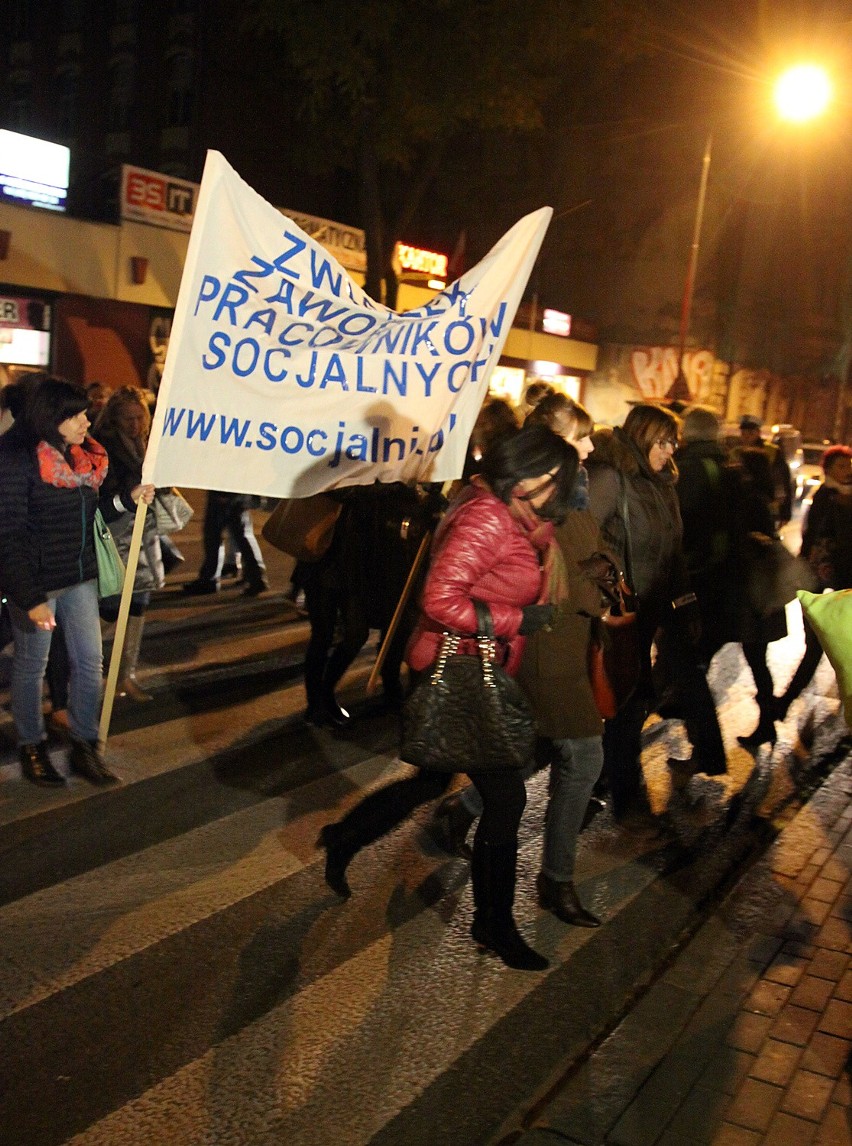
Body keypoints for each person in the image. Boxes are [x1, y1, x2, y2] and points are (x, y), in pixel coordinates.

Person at [317, 424, 579, 970]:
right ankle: (495, 925)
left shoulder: (516, 519)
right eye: (558, 481)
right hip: (455, 667)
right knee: (506, 799)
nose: (561, 493)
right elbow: (439, 599)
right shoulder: (489, 517)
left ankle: (343, 838)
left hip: (472, 665)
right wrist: (516, 619)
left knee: (433, 779)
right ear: (533, 477)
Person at [433, 394, 608, 927]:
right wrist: (571, 598)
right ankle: (544, 889)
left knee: (526, 762)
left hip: (552, 645)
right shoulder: (517, 506)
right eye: (580, 436)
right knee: (579, 759)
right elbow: (446, 597)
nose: (591, 446)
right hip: (539, 649)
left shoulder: (560, 495)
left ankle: (463, 828)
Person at [587, 404, 726, 825]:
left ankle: (602, 781)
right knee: (624, 704)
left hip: (656, 610)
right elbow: (582, 541)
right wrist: (609, 587)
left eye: (673, 443)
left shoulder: (663, 484)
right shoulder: (612, 479)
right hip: (622, 613)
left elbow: (673, 551)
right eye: (663, 442)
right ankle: (626, 800)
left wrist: (685, 604)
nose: (670, 451)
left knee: (630, 703)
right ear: (643, 436)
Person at [0, 373, 129, 787]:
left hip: (80, 578)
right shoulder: (17, 459)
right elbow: (9, 534)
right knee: (31, 666)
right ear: (49, 417)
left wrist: (128, 500)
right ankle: (32, 745)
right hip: (37, 585)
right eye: (75, 416)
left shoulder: (81, 458)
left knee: (91, 662)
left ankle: (84, 744)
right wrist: (30, 597)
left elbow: (90, 517)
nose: (86, 423)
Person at [773, 444, 852, 719]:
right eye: (842, 466)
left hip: (845, 582)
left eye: (849, 465)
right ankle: (782, 704)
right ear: (828, 469)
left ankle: (781, 705)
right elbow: (812, 536)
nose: (847, 470)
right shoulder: (823, 496)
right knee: (814, 645)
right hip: (818, 578)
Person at [94, 387, 158, 701]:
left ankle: (125, 676)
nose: (135, 423)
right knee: (110, 607)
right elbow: (104, 495)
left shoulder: (147, 444)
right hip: (117, 533)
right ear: (115, 419)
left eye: (139, 417)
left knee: (139, 604)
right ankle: (78, 662)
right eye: (128, 418)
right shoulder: (103, 447)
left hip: (143, 534)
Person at [733, 447, 789, 749]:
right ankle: (767, 721)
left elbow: (752, 542)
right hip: (762, 593)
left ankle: (767, 721)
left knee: (756, 659)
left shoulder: (752, 499)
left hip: (758, 594)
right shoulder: (763, 499)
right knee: (757, 660)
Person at [183, 490, 269, 596]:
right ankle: (257, 577)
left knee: (214, 534)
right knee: (241, 535)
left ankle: (210, 579)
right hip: (238, 490)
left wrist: (224, 494)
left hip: (227, 490)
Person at [735, 414, 792, 526]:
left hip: (766, 508)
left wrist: (784, 512)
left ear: (758, 433)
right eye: (743, 433)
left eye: (751, 433)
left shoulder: (772, 451)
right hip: (740, 507)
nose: (746, 437)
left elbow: (781, 482)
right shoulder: (735, 452)